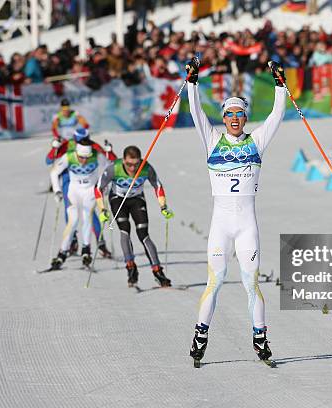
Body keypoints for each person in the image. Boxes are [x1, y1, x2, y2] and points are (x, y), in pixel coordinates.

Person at [185, 58, 286, 365]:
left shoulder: (256, 141)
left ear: (244, 117)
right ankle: (201, 334)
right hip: (220, 225)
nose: (233, 119)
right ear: (224, 117)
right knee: (214, 282)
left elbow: (276, 117)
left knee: (251, 284)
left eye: (239, 115)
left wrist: (280, 85)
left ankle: (260, 336)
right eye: (229, 114)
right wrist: (192, 82)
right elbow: (196, 112)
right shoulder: (213, 140)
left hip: (246, 227)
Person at [96, 146, 174, 288]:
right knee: (125, 231)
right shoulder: (114, 168)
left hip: (137, 200)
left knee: (143, 234)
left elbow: (157, 186)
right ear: (123, 160)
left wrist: (163, 206)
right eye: (129, 164)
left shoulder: (146, 168)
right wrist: (102, 209)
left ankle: (158, 271)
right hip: (118, 200)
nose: (132, 168)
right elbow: (98, 187)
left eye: (136, 164)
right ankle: (131, 267)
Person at [47, 127, 116, 258]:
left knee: (89, 214)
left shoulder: (92, 146)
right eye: (79, 140)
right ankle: (72, 243)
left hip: (88, 182)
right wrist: (54, 148)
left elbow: (110, 160)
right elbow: (49, 161)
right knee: (71, 214)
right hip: (69, 181)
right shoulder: (67, 144)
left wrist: (109, 151)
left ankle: (100, 243)